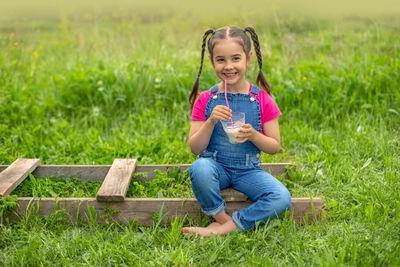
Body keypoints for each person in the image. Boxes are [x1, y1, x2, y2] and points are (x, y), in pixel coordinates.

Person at [181, 26, 291, 237]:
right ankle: (222, 219)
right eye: (221, 60)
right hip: (216, 167)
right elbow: (195, 148)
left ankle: (224, 229)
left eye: (235, 58)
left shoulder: (262, 100)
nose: (229, 66)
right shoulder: (206, 99)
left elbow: (274, 147)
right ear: (212, 61)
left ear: (248, 59)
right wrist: (211, 120)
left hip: (248, 171)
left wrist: (254, 135)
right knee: (200, 168)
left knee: (281, 197)